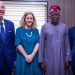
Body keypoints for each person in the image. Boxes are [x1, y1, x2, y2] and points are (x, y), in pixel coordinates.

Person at [39, 5, 71, 75]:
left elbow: (67, 44)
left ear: (59, 15)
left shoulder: (64, 27)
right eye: (52, 14)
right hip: (48, 59)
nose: (54, 16)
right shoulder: (44, 27)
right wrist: (42, 61)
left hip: (61, 59)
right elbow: (41, 45)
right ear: (49, 16)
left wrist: (67, 59)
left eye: (56, 14)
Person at [0, 1, 16, 75]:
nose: (1, 9)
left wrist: (14, 59)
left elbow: (13, 43)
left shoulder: (10, 24)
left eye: (2, 7)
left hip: (8, 63)